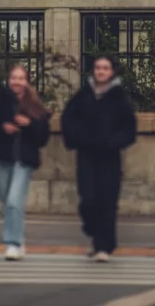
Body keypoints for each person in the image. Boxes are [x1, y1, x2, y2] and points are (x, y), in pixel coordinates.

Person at [61, 55, 138, 262]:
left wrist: (114, 142)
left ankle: (104, 245)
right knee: (88, 198)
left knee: (107, 201)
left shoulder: (119, 98)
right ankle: (94, 233)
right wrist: (78, 138)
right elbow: (68, 119)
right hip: (87, 155)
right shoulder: (83, 95)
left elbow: (129, 129)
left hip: (109, 157)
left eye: (105, 68)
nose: (101, 71)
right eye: (98, 68)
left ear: (111, 71)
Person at [0, 64, 52, 261]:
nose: (17, 82)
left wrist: (28, 125)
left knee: (13, 201)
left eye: (21, 78)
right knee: (7, 201)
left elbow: (43, 136)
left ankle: (13, 243)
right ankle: (18, 236)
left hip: (24, 159)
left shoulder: (35, 106)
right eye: (13, 78)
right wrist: (4, 128)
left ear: (27, 82)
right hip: (1, 157)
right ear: (8, 80)